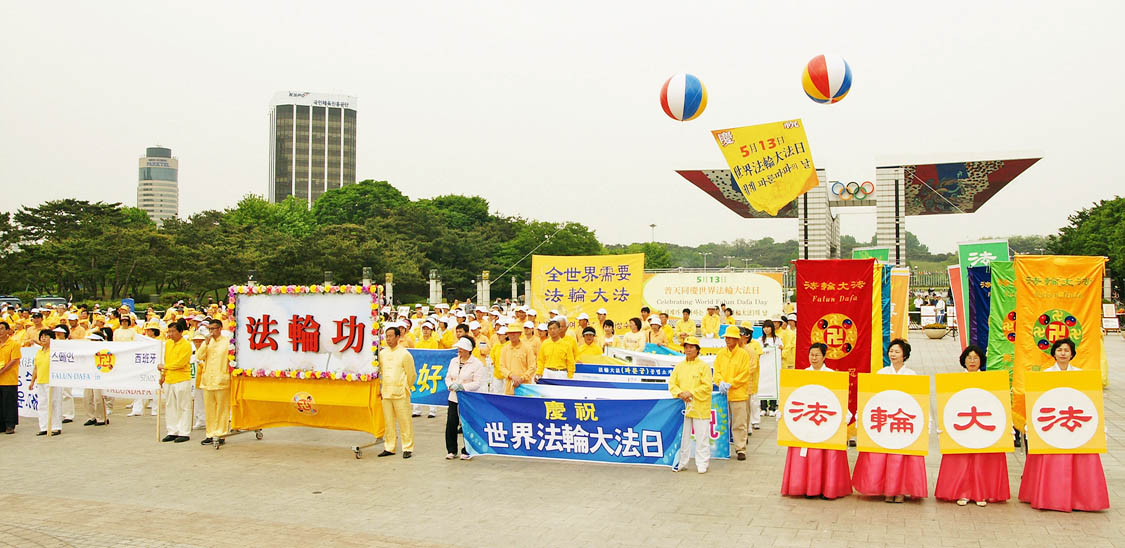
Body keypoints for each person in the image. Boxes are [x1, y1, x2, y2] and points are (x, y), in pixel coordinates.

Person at [1018, 338, 1109, 512]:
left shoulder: (1081, 375)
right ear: (1054, 353)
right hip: (1052, 424)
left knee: (1078, 460)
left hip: (1074, 424)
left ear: (1072, 354)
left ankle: (1080, 499)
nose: (1063, 354)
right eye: (1059, 350)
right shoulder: (1045, 375)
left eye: (1067, 350)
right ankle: (1050, 497)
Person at [852, 339, 928, 503]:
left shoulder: (911, 375)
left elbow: (918, 400)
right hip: (885, 420)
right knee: (883, 455)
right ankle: (885, 489)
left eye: (897, 352)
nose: (893, 354)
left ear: (904, 355)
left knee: (900, 456)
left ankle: (900, 491)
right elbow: (872, 396)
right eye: (891, 351)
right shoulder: (882, 373)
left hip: (902, 420)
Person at [934, 345, 1009, 507]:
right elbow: (949, 405)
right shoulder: (955, 381)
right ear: (964, 360)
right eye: (969, 358)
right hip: (963, 424)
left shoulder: (990, 381)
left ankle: (982, 493)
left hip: (984, 424)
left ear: (981, 360)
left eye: (976, 358)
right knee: (962, 460)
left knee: (982, 460)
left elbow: (998, 403)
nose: (972, 361)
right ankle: (963, 493)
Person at [781, 343, 853, 499]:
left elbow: (838, 399)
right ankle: (805, 486)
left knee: (826, 453)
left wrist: (844, 414)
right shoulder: (803, 375)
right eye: (811, 355)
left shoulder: (832, 375)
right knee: (809, 453)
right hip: (806, 420)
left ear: (824, 356)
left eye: (817, 355)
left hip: (825, 420)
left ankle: (827, 488)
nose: (813, 358)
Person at [669, 337, 712, 473]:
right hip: (683, 406)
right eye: (686, 347)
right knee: (683, 436)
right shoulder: (679, 366)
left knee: (702, 436)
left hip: (699, 406)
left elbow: (707, 386)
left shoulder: (703, 366)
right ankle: (682, 462)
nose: (688, 350)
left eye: (691, 347)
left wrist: (691, 393)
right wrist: (680, 393)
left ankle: (702, 463)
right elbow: (672, 384)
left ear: (697, 350)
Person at [713, 325, 751, 460]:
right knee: (722, 423)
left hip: (738, 394)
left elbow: (744, 374)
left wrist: (731, 383)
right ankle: (721, 448)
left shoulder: (743, 354)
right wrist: (720, 382)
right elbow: (716, 371)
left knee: (739, 423)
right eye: (726, 338)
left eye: (730, 338)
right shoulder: (720, 354)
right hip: (723, 394)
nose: (727, 340)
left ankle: (741, 449)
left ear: (736, 339)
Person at [445, 337, 486, 460]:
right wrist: (450, 385)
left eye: (462, 348)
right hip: (453, 397)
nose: (459, 350)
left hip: (468, 398)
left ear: (468, 349)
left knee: (467, 424)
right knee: (451, 422)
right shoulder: (453, 361)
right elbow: (448, 377)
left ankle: (467, 450)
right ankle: (451, 450)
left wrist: (463, 387)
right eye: (459, 348)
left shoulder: (477, 364)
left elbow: (477, 383)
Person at [378, 326, 416, 459]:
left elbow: (411, 374)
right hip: (386, 392)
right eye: (386, 336)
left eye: (391, 336)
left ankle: (407, 447)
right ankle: (389, 446)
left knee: (405, 421)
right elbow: (381, 372)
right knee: (388, 422)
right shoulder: (382, 354)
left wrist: (405, 386)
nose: (388, 339)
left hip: (401, 393)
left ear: (398, 337)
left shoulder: (405, 354)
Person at [196, 319, 231, 446]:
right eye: (209, 329)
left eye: (213, 329)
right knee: (209, 409)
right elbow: (199, 356)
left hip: (222, 379)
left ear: (220, 329)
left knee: (222, 409)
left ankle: (221, 434)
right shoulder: (207, 342)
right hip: (208, 380)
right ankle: (210, 434)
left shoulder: (227, 342)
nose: (211, 331)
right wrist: (205, 343)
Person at [159, 320, 193, 443]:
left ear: (180, 332)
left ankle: (184, 432)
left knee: (183, 406)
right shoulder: (168, 344)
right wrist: (163, 375)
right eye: (169, 331)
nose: (170, 334)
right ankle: (172, 431)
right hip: (169, 379)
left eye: (173, 331)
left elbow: (181, 363)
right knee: (170, 406)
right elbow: (166, 359)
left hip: (182, 379)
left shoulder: (186, 345)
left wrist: (165, 367)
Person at [28, 328, 62, 435]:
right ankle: (44, 427)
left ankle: (56, 426)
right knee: (42, 405)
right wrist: (32, 382)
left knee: (54, 404)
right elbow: (36, 368)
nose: (43, 338)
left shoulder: (55, 352)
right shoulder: (39, 352)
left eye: (46, 336)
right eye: (42, 337)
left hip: (52, 381)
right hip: (41, 381)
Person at [499, 326, 536, 395]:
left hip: (524, 386)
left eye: (515, 333)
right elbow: (501, 367)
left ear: (520, 334)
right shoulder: (505, 349)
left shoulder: (527, 348)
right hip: (510, 385)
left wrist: (522, 378)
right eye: (510, 333)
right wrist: (511, 376)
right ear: (507, 335)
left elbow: (532, 367)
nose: (513, 335)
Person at [741, 325, 764, 431]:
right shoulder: (738, 348)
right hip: (741, 382)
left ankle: (755, 421)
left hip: (752, 379)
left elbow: (755, 362)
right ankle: (747, 425)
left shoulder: (755, 345)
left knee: (753, 401)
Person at [0, 322, 21, 434]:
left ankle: (10, 425)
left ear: (8, 330)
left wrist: (2, 371)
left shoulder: (14, 344)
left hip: (9, 379)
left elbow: (14, 360)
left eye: (2, 329)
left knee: (9, 403)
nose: (0, 331)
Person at [759, 321, 783, 416]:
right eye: (764, 327)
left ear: (772, 328)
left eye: (768, 327)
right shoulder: (760, 340)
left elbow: (781, 349)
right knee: (763, 385)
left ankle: (772, 407)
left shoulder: (777, 339)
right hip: (763, 367)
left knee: (773, 385)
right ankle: (763, 407)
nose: (766, 329)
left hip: (773, 367)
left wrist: (780, 348)